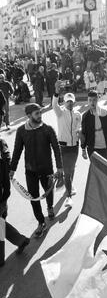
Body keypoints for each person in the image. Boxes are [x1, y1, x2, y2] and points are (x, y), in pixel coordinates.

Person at [9, 104, 63, 238]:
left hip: (47, 170)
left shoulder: (48, 129)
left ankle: (50, 207)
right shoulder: (21, 131)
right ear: (28, 116)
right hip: (30, 171)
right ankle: (41, 222)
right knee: (33, 198)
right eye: (36, 114)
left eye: (40, 113)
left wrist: (59, 167)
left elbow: (56, 149)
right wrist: (12, 169)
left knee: (48, 192)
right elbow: (17, 151)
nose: (40, 116)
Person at [0, 138, 30, 267]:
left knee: (1, 225)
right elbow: (7, 159)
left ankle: (1, 258)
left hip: (1, 196)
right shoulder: (2, 144)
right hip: (4, 195)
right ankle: (19, 240)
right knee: (1, 224)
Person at [53, 82, 82, 208]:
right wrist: (56, 91)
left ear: (74, 102)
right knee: (67, 171)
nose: (70, 103)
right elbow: (54, 104)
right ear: (64, 102)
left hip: (74, 146)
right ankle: (69, 196)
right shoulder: (60, 112)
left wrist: (80, 132)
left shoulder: (78, 115)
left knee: (72, 168)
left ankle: (69, 185)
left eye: (71, 101)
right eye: (67, 101)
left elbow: (78, 128)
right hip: (63, 147)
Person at [81, 90, 107, 160]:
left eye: (94, 100)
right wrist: (83, 149)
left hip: (104, 147)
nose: (92, 103)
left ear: (98, 100)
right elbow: (84, 133)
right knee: (94, 167)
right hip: (91, 148)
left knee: (103, 168)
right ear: (87, 101)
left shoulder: (106, 113)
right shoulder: (85, 116)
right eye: (90, 100)